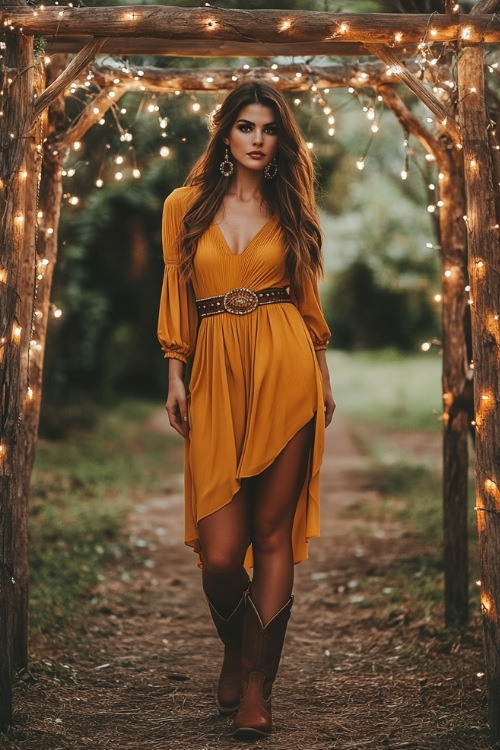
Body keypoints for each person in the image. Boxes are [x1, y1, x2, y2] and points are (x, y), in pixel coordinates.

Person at [158, 80, 335, 740]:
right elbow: (177, 291)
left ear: (281, 140)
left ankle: (259, 685)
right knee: (223, 556)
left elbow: (308, 304)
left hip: (285, 368)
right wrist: (175, 370)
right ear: (226, 134)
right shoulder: (185, 206)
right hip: (214, 375)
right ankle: (236, 649)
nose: (259, 139)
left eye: (269, 129)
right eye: (246, 127)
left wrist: (321, 373)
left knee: (272, 534)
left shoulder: (292, 207)